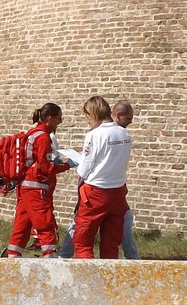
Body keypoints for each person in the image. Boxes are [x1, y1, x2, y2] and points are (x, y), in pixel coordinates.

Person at [58, 98, 140, 259]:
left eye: (88, 117)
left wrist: (80, 160)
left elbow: (84, 169)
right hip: (117, 192)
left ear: (93, 114)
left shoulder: (94, 135)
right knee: (111, 243)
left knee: (83, 241)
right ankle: (108, 279)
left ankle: (89, 279)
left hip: (95, 193)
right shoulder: (125, 134)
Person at [4, 103, 72, 257]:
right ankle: (49, 255)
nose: (59, 123)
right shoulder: (43, 137)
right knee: (44, 221)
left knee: (22, 223)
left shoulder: (32, 133)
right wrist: (66, 165)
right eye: (58, 119)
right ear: (49, 118)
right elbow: (46, 168)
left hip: (24, 186)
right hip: (36, 187)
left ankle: (12, 255)